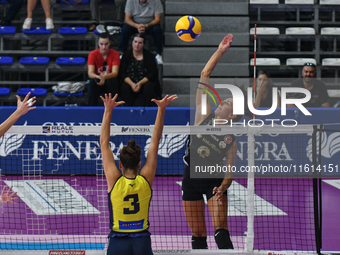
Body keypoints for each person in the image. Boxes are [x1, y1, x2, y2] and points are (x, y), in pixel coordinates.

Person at [100, 93, 177, 255]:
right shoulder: (145, 180)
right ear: (140, 164)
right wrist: (161, 110)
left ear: (120, 164)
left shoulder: (114, 181)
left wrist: (108, 110)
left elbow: (104, 143)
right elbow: (155, 141)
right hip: (141, 242)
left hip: (118, 241)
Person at [182, 34, 238, 250]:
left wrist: (223, 187)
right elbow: (205, 74)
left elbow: (229, 174)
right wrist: (220, 51)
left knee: (221, 230)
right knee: (198, 234)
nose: (222, 101)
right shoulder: (202, 115)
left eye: (228, 104)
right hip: (191, 180)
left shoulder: (231, 140)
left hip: (214, 182)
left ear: (232, 116)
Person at [119, 33, 161, 106]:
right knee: (124, 87)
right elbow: (122, 73)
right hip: (130, 82)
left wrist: (139, 83)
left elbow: (152, 74)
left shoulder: (149, 56)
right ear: (132, 42)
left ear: (144, 44)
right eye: (135, 42)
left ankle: (148, 110)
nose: (137, 45)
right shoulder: (126, 55)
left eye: (140, 43)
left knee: (149, 87)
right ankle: (128, 110)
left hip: (144, 82)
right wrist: (132, 84)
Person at [118, 0, 164, 64]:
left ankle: (159, 54)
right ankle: (122, 53)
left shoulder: (156, 1)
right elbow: (127, 19)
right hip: (135, 24)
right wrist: (137, 26)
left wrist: (146, 25)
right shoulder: (130, 1)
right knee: (125, 29)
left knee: (157, 29)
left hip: (150, 24)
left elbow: (158, 19)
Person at [87, 34, 121, 106]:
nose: (104, 47)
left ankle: (112, 107)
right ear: (98, 44)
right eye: (101, 44)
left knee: (113, 82)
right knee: (92, 83)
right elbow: (90, 73)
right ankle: (92, 108)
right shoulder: (92, 54)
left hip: (109, 80)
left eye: (106, 44)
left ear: (109, 44)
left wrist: (104, 77)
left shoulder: (115, 54)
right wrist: (99, 78)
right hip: (98, 80)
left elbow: (115, 73)